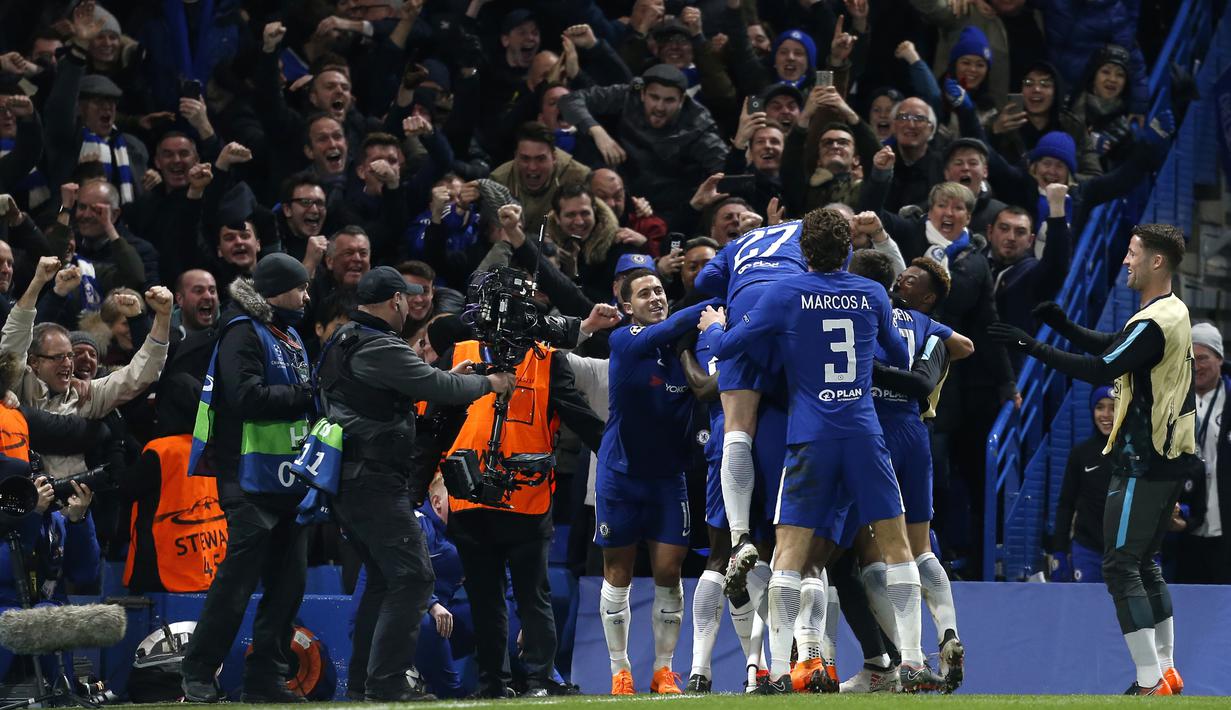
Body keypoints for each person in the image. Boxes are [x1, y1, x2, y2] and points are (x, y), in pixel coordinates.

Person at [706, 208, 921, 693]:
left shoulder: (785, 293)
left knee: (790, 554)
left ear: (803, 253)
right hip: (865, 436)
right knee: (896, 546)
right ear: (848, 249)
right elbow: (899, 354)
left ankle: (779, 672)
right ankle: (910, 661)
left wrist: (712, 327)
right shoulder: (870, 293)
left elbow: (734, 344)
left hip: (810, 438)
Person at [989, 224, 1196, 696]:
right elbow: (1115, 348)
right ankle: (1165, 671)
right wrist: (1064, 329)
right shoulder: (1172, 311)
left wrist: (1035, 347)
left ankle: (1149, 681)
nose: (1126, 260)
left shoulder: (1153, 321)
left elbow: (1103, 369)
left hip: (1143, 458)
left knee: (1121, 564)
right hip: (1168, 457)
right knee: (1144, 564)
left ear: (1156, 262)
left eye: (1132, 252)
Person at [316, 266, 512, 701]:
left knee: (386, 580)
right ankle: (384, 684)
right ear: (397, 301)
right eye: (407, 299)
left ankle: (366, 685)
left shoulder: (344, 339)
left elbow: (404, 385)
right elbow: (432, 383)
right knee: (414, 578)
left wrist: (455, 374)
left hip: (352, 479)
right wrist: (489, 382)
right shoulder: (379, 343)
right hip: (373, 480)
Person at [180, 253, 316, 704]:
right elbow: (245, 397)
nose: (306, 296)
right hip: (247, 479)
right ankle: (198, 672)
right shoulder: (241, 330)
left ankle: (265, 680)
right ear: (276, 290)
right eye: (300, 287)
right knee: (236, 585)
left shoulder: (290, 334)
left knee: (287, 588)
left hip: (289, 481)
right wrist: (306, 395)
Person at [596, 269, 716, 695]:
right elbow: (662, 331)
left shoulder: (689, 347)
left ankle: (664, 671)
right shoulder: (624, 339)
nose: (656, 297)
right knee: (618, 572)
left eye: (660, 291)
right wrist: (718, 300)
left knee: (669, 571)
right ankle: (619, 671)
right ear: (627, 306)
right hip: (620, 476)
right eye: (645, 293)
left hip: (669, 480)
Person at [1177, 323, 1231, 584]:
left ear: (1219, 358)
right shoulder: (1173, 403)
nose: (1196, 366)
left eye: (1203, 358)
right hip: (1185, 529)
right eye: (1190, 358)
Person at [1052, 385, 1116, 584]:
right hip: (1087, 551)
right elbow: (1066, 505)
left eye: (1113, 407)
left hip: (1126, 554)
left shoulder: (1134, 453)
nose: (1105, 415)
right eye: (1099, 407)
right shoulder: (1081, 454)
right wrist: (1059, 552)